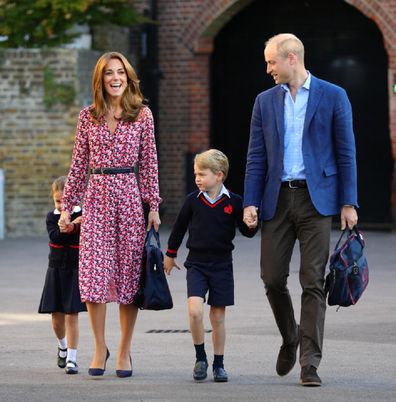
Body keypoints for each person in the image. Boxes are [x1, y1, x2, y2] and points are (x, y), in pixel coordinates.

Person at [243, 33, 358, 386]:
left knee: (313, 281)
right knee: (272, 278)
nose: (267, 69)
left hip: (316, 200)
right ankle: (290, 336)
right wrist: (250, 201)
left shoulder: (334, 95)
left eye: (271, 62)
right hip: (276, 199)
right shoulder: (264, 101)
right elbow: (256, 156)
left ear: (291, 58)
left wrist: (348, 201)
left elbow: (346, 151)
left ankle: (310, 362)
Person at [59, 51, 161, 378]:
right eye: (108, 73)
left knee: (130, 278)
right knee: (94, 277)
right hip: (97, 199)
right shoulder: (87, 116)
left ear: (128, 77)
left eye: (120, 72)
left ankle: (124, 351)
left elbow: (148, 164)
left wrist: (154, 205)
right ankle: (99, 347)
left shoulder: (142, 115)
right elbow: (77, 166)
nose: (115, 78)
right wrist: (66, 208)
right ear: (100, 80)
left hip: (129, 200)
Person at [164, 149, 256, 382]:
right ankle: (200, 357)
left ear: (219, 175)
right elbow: (178, 229)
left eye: (202, 174)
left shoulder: (234, 202)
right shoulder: (192, 201)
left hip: (222, 265)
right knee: (195, 311)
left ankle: (219, 364)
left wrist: (252, 223)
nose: (197, 178)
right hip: (197, 263)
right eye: (196, 173)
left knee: (217, 316)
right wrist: (170, 254)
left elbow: (246, 231)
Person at [38, 176, 87, 375]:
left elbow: (81, 234)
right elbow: (55, 236)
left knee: (72, 314)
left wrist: (75, 224)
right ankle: (62, 346)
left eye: (66, 200)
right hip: (56, 270)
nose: (62, 204)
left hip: (75, 269)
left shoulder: (83, 215)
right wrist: (68, 224)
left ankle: (72, 359)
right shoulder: (52, 217)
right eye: (58, 200)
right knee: (56, 316)